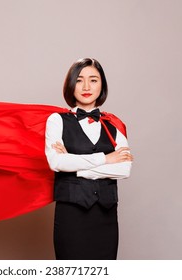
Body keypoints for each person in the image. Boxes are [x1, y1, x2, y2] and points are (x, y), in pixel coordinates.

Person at [45, 58, 133, 260]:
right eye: (79, 80)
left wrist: (74, 164)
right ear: (71, 84)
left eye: (93, 80)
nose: (86, 86)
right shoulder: (57, 120)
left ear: (102, 85)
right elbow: (56, 163)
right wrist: (106, 158)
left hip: (106, 217)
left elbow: (124, 169)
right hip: (71, 217)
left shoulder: (114, 125)